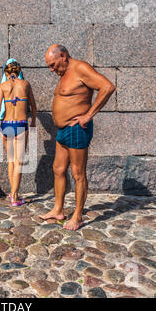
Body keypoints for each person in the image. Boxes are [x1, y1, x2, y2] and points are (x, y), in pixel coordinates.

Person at [39, 44, 115, 230]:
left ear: (63, 56)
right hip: (63, 130)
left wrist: (88, 115)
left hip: (76, 129)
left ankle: (78, 216)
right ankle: (58, 210)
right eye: (49, 66)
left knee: (77, 173)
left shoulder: (80, 68)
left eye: (54, 64)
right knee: (58, 169)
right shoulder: (64, 73)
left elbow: (107, 87)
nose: (52, 69)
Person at [0, 59, 37, 206]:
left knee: (11, 160)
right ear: (19, 71)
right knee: (19, 163)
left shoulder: (2, 86)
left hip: (6, 125)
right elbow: (33, 106)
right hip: (21, 125)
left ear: (6, 72)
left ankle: (12, 193)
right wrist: (34, 121)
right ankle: (15, 197)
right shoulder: (25, 84)